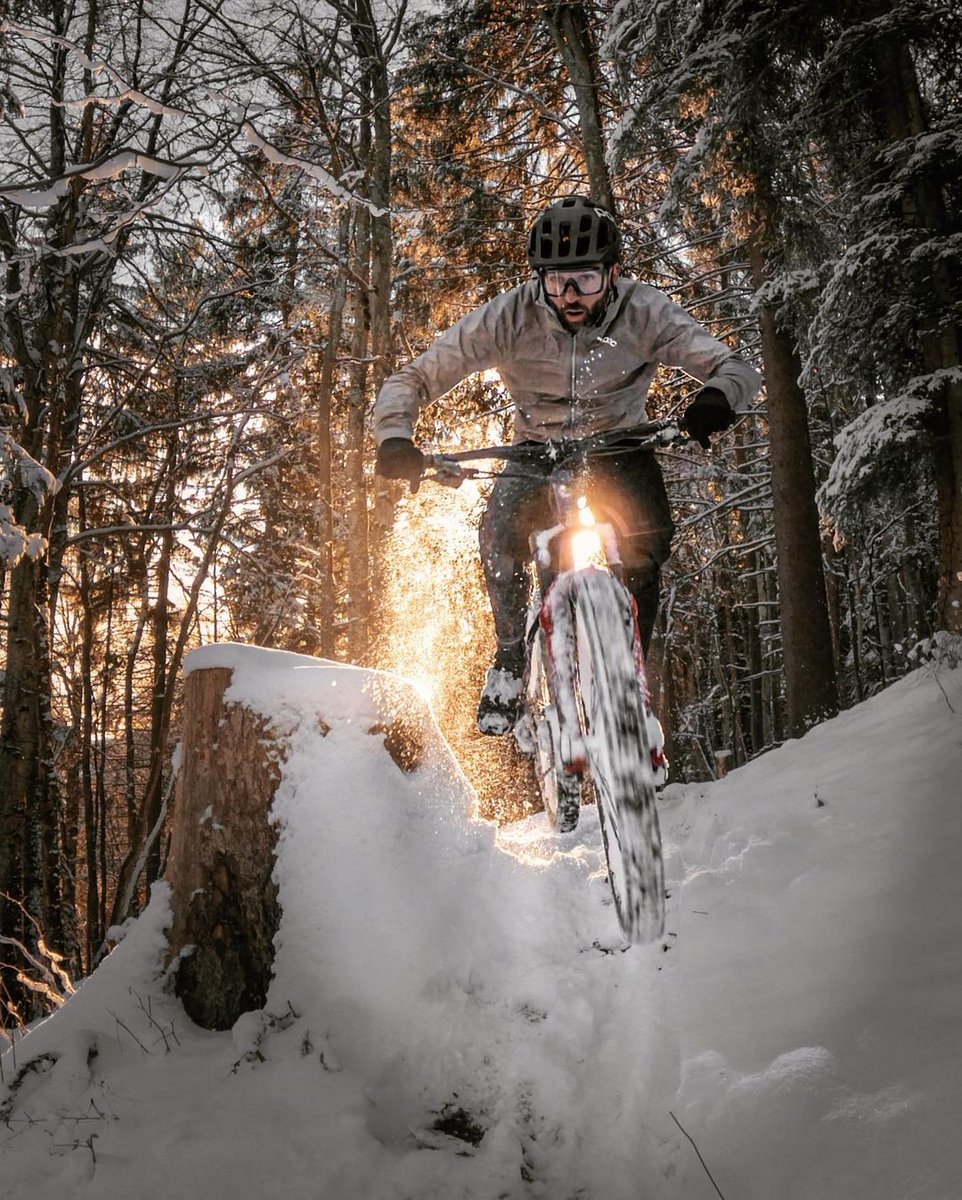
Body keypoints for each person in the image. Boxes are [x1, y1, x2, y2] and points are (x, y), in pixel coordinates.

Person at [374, 196, 761, 736]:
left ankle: (630, 683)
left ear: (613, 272)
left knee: (647, 545)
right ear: (538, 280)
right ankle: (509, 659)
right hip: (535, 447)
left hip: (620, 444)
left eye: (583, 278)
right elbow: (414, 377)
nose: (570, 296)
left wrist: (717, 399)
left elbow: (733, 365)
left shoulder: (644, 312)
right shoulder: (509, 316)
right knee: (500, 536)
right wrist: (396, 436)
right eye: (556, 282)